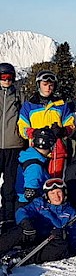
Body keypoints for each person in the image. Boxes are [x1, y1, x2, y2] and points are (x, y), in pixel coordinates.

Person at [0, 178, 76, 266]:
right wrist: (25, 222)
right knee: (19, 230)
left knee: (61, 248)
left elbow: (74, 234)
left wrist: (64, 235)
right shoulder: (40, 204)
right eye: (52, 193)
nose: (56, 196)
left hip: (48, 243)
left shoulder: (70, 212)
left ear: (64, 193)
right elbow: (22, 211)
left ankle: (20, 257)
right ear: (47, 195)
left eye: (59, 192)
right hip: (33, 234)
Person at [18, 70, 75, 178]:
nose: (48, 88)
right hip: (36, 149)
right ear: (38, 85)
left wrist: (63, 131)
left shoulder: (61, 105)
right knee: (36, 179)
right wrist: (34, 132)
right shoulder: (29, 105)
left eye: (51, 85)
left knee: (54, 183)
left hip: (56, 150)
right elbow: (22, 126)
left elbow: (71, 125)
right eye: (45, 85)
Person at [0, 62, 24, 228]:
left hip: (13, 145)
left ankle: (7, 218)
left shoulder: (18, 96)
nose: (7, 80)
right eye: (3, 77)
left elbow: (26, 117)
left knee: (9, 185)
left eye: (9, 77)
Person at [14, 128, 55, 208]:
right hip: (28, 206)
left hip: (23, 203)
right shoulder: (35, 166)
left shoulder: (28, 157)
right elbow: (30, 193)